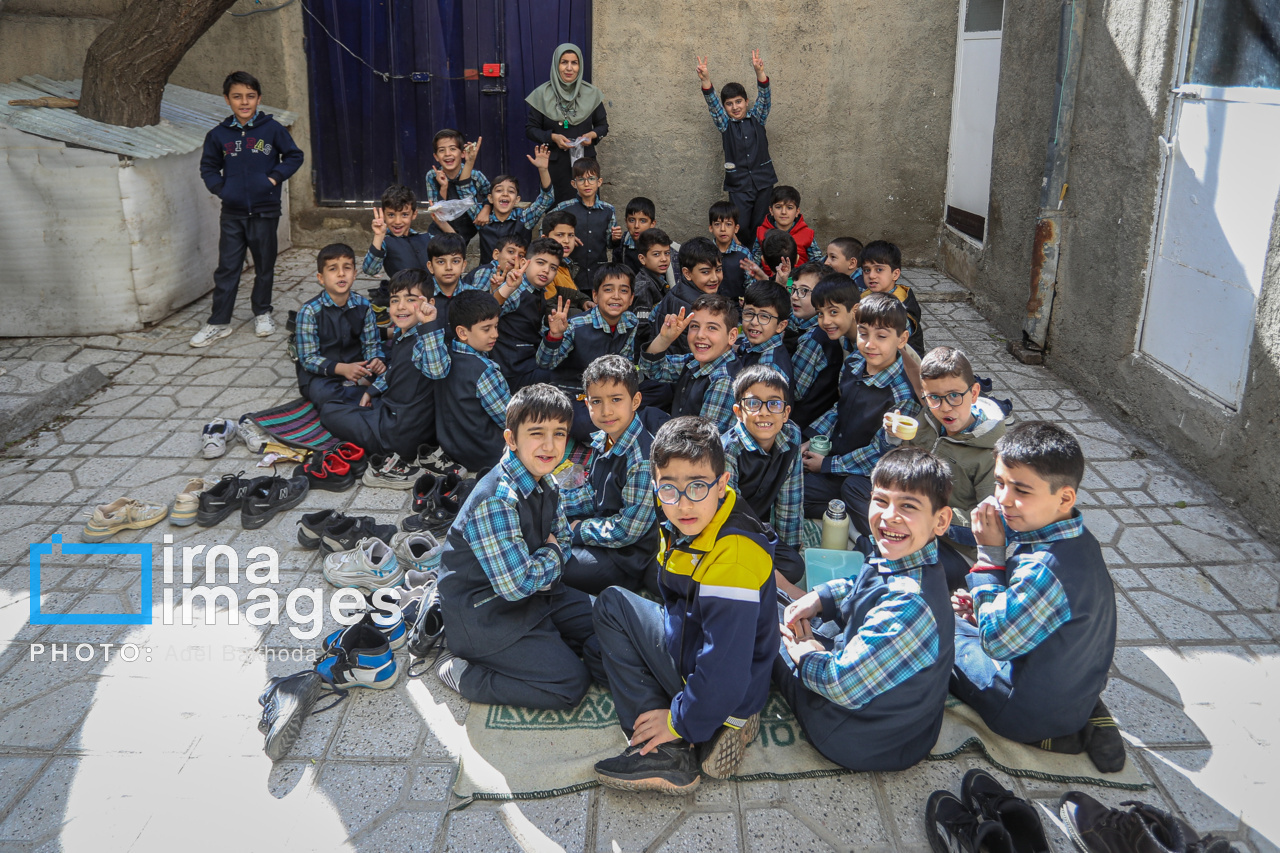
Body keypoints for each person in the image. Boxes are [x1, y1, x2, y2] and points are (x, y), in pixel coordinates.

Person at [590, 415, 777, 793]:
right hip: (703, 644)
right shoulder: (703, 516)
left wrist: (678, 721)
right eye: (669, 489)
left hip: (725, 677)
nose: (683, 503)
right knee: (597, 654)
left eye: (697, 486)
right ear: (655, 486)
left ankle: (669, 750)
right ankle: (721, 720)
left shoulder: (733, 559)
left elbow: (723, 668)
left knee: (611, 606)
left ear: (722, 484)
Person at [950, 421, 1122, 771]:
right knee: (973, 618)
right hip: (1075, 685)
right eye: (1000, 483)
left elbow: (996, 643)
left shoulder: (1043, 570)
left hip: (1018, 712)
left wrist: (989, 557)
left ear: (1065, 498)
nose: (1003, 499)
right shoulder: (1080, 539)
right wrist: (984, 606)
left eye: (1022, 490)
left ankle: (1051, 733)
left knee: (937, 625)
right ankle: (1083, 714)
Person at [775, 447, 957, 771]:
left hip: (855, 735)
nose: (889, 516)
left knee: (762, 621)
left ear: (941, 520)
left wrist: (805, 656)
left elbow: (839, 685)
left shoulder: (909, 605)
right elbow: (864, 580)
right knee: (785, 605)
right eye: (881, 501)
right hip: (903, 729)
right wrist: (821, 597)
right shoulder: (904, 555)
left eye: (908, 506)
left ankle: (731, 716)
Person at [435, 385, 604, 709]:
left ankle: (548, 641)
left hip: (535, 591)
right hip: (486, 614)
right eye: (537, 433)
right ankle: (464, 674)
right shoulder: (496, 501)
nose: (550, 445)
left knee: (609, 619)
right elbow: (517, 584)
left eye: (559, 434)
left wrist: (547, 557)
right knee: (570, 684)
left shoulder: (546, 479)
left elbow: (563, 538)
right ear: (511, 439)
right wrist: (551, 553)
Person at [193, 71, 304, 347]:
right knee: (227, 267)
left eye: (250, 96)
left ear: (259, 98)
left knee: (265, 265)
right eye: (237, 96)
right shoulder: (218, 135)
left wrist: (272, 179)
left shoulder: (272, 129)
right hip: (233, 213)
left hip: (265, 211)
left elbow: (294, 155)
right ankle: (219, 322)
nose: (244, 102)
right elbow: (208, 167)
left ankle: (262, 313)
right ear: (227, 99)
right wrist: (223, 190)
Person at [885, 346, 1010, 588]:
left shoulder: (991, 455)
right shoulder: (927, 418)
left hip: (956, 549)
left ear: (974, 393)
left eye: (954, 395)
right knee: (857, 491)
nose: (944, 407)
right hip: (913, 520)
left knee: (903, 564)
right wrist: (893, 437)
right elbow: (903, 464)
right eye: (934, 397)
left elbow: (992, 525)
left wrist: (934, 519)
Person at [801, 294, 921, 531]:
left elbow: (880, 453)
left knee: (845, 489)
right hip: (836, 457)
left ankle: (867, 525)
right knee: (790, 488)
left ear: (902, 339)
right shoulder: (854, 362)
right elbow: (840, 408)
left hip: (865, 474)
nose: (869, 344)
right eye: (863, 333)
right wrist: (811, 439)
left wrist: (827, 465)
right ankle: (845, 513)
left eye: (881, 336)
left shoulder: (903, 396)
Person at [559, 356, 660, 595]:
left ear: (635, 401)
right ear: (587, 404)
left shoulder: (643, 460)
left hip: (628, 556)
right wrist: (556, 504)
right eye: (596, 401)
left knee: (557, 565)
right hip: (602, 527)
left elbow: (628, 530)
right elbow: (593, 493)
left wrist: (577, 530)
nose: (606, 411)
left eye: (616, 399)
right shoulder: (605, 438)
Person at [319, 269, 440, 464]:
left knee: (328, 411)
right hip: (396, 416)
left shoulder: (427, 340)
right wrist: (372, 391)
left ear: (429, 304)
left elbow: (437, 370)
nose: (401, 307)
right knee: (350, 396)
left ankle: (377, 447)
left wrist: (429, 325)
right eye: (394, 300)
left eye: (411, 299)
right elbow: (395, 369)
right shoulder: (404, 332)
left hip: (398, 436)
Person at [722, 365, 805, 597]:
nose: (764, 412)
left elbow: (790, 499)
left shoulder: (791, 436)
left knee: (794, 565)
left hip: (759, 530)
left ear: (786, 413)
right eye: (753, 403)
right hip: (728, 533)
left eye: (774, 404)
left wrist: (789, 547)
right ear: (738, 411)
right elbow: (730, 517)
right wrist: (787, 588)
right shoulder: (728, 450)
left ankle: (755, 577)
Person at [538, 264, 641, 441]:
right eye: (608, 290)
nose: (616, 296)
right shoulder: (576, 325)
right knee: (584, 425)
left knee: (660, 390)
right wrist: (554, 336)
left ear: (631, 298)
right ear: (595, 295)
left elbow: (626, 360)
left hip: (611, 390)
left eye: (623, 291)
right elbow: (545, 363)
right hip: (575, 392)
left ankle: (622, 417)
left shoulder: (630, 321)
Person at [696, 50, 775, 248]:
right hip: (738, 186)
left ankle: (759, 259)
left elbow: (765, 98)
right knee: (742, 226)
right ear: (725, 107)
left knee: (761, 226)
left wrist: (760, 73)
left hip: (763, 182)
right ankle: (742, 256)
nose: (735, 107)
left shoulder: (758, 117)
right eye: (729, 104)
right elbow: (713, 105)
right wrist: (706, 80)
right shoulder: (725, 124)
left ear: (746, 102)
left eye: (738, 102)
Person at [427, 290, 511, 474]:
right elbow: (508, 419)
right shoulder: (485, 371)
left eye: (496, 326)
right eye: (486, 329)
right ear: (462, 332)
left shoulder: (443, 359)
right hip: (487, 454)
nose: (495, 334)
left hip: (453, 448)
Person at [295, 244, 384, 408]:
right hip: (323, 374)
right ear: (321, 278)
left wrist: (375, 360)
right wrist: (342, 369)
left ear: (354, 274)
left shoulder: (364, 305)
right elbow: (308, 358)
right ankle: (366, 395)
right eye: (333, 269)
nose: (341, 274)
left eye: (347, 268)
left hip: (358, 368)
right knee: (323, 394)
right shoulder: (309, 311)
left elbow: (371, 344)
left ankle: (360, 393)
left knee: (393, 367)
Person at [641, 295, 740, 433]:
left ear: (732, 336)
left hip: (692, 443)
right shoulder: (694, 362)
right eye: (695, 326)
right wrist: (664, 339)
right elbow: (652, 368)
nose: (700, 335)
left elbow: (705, 438)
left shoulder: (724, 380)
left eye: (712, 328)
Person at [525, 43, 608, 203]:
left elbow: (603, 126)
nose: (569, 68)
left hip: (586, 167)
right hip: (554, 166)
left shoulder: (592, 94)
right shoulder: (542, 95)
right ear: (556, 65)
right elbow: (531, 129)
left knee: (586, 208)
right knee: (557, 210)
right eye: (564, 62)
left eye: (574, 63)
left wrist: (592, 135)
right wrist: (552, 137)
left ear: (580, 66)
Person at [492, 238, 561, 392]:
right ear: (524, 262)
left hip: (528, 362)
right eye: (540, 263)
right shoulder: (517, 289)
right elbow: (489, 310)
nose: (546, 270)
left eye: (553, 267)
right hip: (511, 367)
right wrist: (507, 289)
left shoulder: (539, 292)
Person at [469, 145, 555, 262]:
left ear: (517, 200)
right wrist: (469, 163)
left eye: (511, 191)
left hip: (518, 271)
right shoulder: (482, 217)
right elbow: (465, 198)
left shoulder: (524, 218)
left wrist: (543, 170)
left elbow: (546, 199)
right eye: (499, 190)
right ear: (490, 198)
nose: (505, 194)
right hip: (488, 271)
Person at [791, 272, 853, 431]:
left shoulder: (868, 350)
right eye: (820, 313)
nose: (826, 321)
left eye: (833, 312)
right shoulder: (843, 339)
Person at [550, 158, 619, 289]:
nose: (586, 184)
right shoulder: (564, 208)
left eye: (591, 179)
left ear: (599, 182)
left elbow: (610, 244)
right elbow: (545, 230)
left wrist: (615, 239)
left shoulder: (608, 210)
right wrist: (563, 238)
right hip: (571, 274)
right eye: (581, 179)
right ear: (574, 183)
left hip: (598, 274)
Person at [651, 237, 723, 356]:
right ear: (687, 273)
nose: (714, 278)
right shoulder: (696, 307)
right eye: (705, 272)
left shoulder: (680, 289)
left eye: (718, 270)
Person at [424, 131, 488, 248]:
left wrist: (486, 209)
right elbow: (436, 212)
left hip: (468, 227)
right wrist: (444, 187)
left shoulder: (475, 175)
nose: (447, 154)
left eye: (453, 149)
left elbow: (490, 195)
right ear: (436, 157)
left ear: (463, 153)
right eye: (442, 150)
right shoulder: (432, 176)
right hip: (442, 227)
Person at [861, 240, 924, 356]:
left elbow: (892, 344)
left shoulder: (901, 307)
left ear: (895, 274)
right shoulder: (865, 295)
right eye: (867, 270)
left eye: (879, 269)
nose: (871, 275)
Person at [362, 184, 432, 279]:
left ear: (414, 214)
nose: (397, 221)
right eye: (391, 215)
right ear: (384, 214)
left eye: (404, 215)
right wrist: (378, 236)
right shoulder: (385, 242)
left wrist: (442, 223)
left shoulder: (426, 238)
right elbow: (370, 270)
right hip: (404, 288)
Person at [734, 281, 793, 382]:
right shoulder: (756, 343)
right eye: (749, 313)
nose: (754, 322)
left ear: (780, 326)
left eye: (764, 316)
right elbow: (743, 347)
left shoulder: (768, 371)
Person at [752, 185, 822, 267]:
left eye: (789, 208)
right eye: (778, 207)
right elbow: (755, 264)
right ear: (771, 210)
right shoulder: (762, 233)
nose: (784, 212)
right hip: (768, 275)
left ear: (797, 212)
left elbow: (818, 264)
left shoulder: (807, 234)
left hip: (798, 275)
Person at [538, 210, 592, 313]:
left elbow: (571, 292)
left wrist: (584, 302)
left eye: (571, 235)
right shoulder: (544, 269)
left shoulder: (565, 264)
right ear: (545, 238)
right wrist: (579, 314)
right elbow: (549, 308)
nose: (566, 241)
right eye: (560, 235)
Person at [708, 200, 751, 300]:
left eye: (728, 224)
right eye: (717, 224)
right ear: (711, 228)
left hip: (737, 305)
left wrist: (747, 301)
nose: (723, 229)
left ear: (736, 228)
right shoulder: (705, 252)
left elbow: (750, 283)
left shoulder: (744, 253)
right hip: (711, 303)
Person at [783, 261, 825, 354]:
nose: (794, 296)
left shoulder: (811, 340)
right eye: (793, 289)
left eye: (804, 290)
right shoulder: (802, 318)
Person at [633, 228, 673, 319]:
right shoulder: (644, 287)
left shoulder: (659, 277)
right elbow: (643, 324)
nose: (664, 259)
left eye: (667, 253)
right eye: (656, 254)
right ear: (642, 259)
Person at [616, 197, 656, 273]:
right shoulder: (622, 246)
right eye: (632, 220)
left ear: (652, 224)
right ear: (626, 222)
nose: (636, 226)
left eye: (643, 221)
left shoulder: (660, 246)